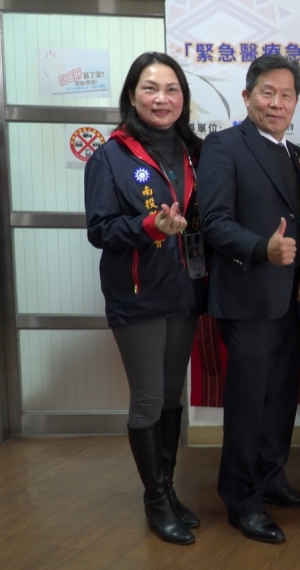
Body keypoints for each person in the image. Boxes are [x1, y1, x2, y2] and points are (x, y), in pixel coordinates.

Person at [196, 54, 300, 544]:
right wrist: (261, 249)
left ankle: (271, 478)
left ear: (296, 103)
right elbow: (214, 221)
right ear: (247, 96)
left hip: (290, 299)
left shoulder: (299, 157)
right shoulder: (223, 146)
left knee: (281, 396)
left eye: (286, 95)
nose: (276, 103)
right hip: (247, 297)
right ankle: (240, 499)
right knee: (249, 403)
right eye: (267, 92)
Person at [84, 52, 205, 545]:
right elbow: (100, 229)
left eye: (172, 89)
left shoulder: (195, 150)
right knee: (150, 398)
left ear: (183, 98)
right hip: (137, 297)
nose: (162, 98)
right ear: (132, 96)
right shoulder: (110, 156)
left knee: (172, 396)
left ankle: (168, 490)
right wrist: (151, 225)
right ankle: (155, 501)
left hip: (186, 290)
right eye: (151, 88)